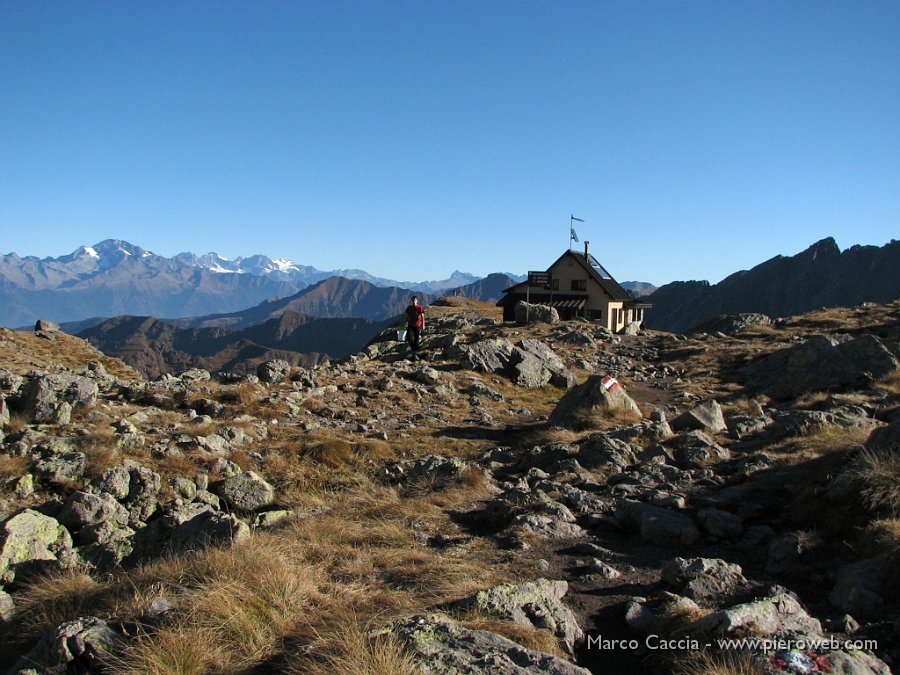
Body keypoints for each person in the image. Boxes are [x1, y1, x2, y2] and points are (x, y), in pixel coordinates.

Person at [404, 295, 426, 360]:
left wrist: (423, 324)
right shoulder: (409, 308)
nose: (414, 301)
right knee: (408, 337)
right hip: (410, 324)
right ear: (411, 301)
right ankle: (415, 349)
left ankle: (416, 351)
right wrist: (406, 321)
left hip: (417, 324)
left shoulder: (420, 308)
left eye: (415, 300)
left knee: (416, 338)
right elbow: (407, 316)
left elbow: (422, 316)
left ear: (417, 301)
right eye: (413, 300)